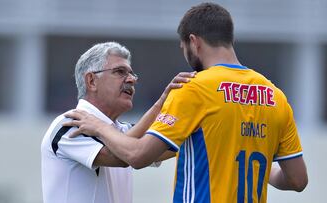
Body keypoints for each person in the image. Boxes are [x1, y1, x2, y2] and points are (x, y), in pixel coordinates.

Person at [63, 2, 308, 203]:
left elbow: (137, 156)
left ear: (194, 41)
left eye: (183, 47)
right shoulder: (276, 96)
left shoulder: (194, 87)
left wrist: (99, 126)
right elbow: (298, 180)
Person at [41, 41, 195, 203]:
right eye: (120, 72)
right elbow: (125, 156)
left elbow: (174, 145)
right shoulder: (70, 124)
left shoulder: (121, 130)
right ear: (92, 81)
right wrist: (161, 103)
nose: (131, 80)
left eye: (131, 74)